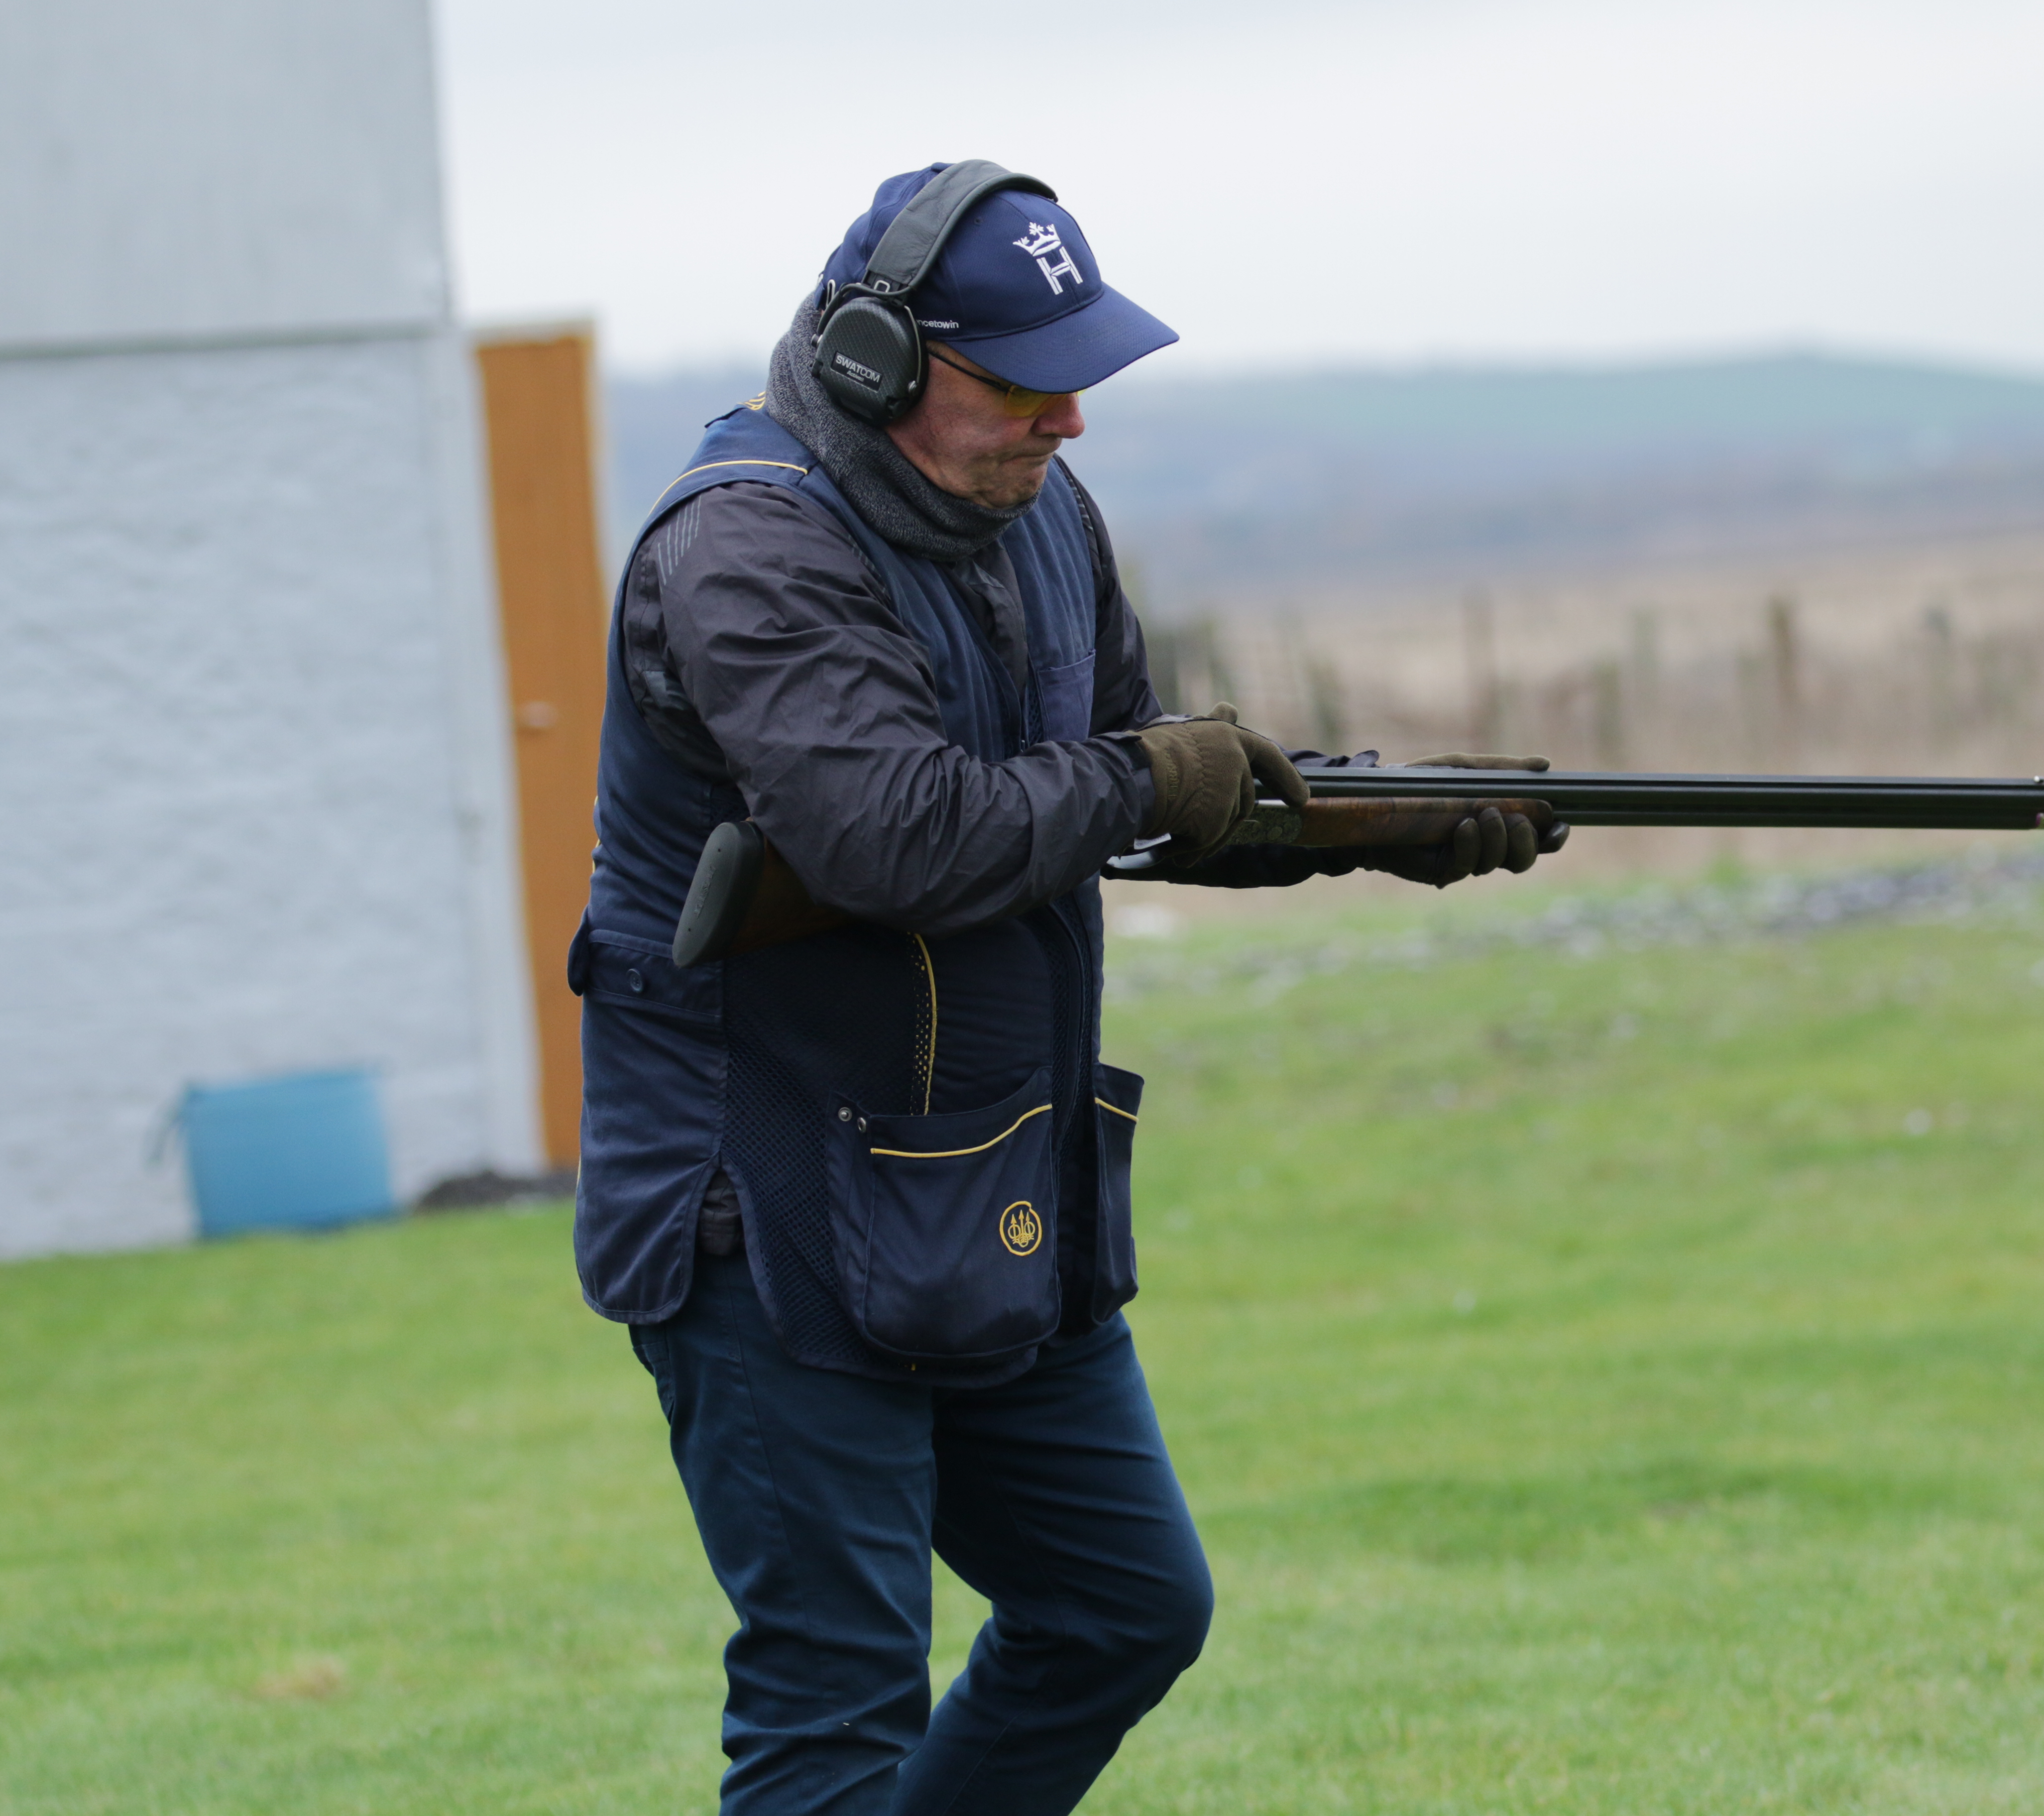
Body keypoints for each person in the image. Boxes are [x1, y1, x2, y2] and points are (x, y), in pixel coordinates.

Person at [570, 161, 1562, 1815]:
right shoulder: (745, 545)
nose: (1070, 418)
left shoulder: (1039, 513)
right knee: (834, 1712)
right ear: (880, 363)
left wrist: (1363, 827)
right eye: (1024, 383)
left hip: (975, 1172)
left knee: (1123, 1606)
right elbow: (901, 836)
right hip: (766, 1204)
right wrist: (1153, 774)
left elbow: (1123, 795)